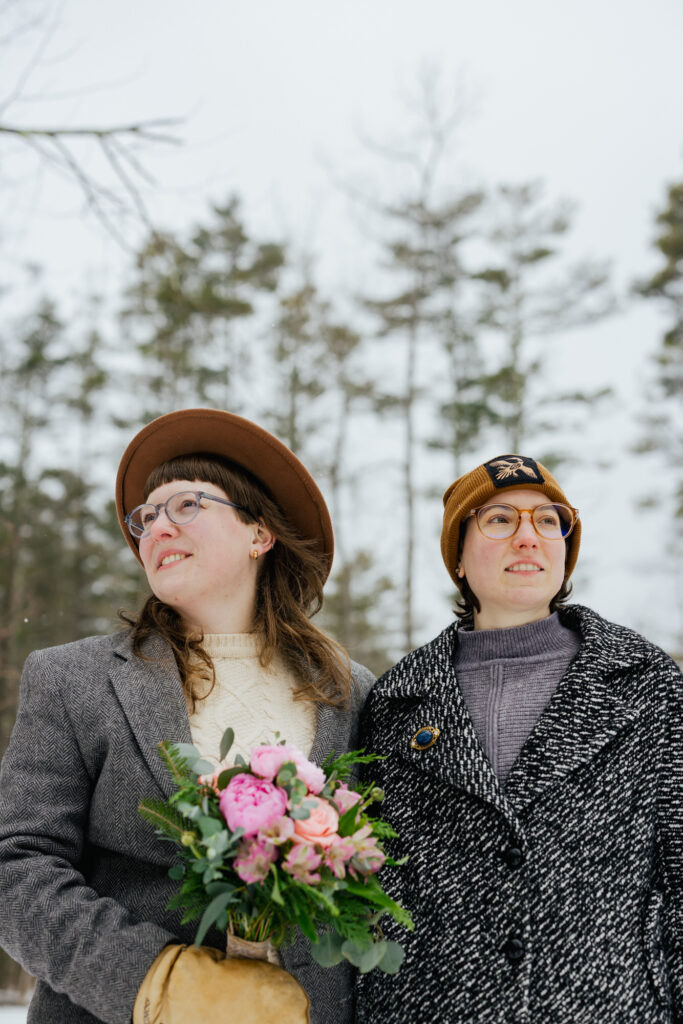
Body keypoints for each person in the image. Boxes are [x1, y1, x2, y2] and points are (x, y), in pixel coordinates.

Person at [0, 408, 375, 1024]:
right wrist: (160, 984)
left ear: (260, 533)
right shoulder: (73, 680)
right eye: (145, 517)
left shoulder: (349, 691)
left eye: (186, 505)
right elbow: (18, 866)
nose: (155, 528)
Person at [356, 453, 683, 1023]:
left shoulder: (649, 684)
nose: (528, 537)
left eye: (548, 519)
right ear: (458, 556)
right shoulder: (394, 702)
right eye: (500, 519)